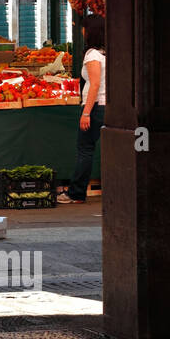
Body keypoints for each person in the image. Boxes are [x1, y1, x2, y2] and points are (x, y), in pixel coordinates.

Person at [59, 15, 106, 204]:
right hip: (105, 104)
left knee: (85, 149)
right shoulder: (105, 53)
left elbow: (94, 85)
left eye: (84, 28)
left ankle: (76, 193)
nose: (82, 31)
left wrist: (86, 112)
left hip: (94, 107)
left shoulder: (92, 55)